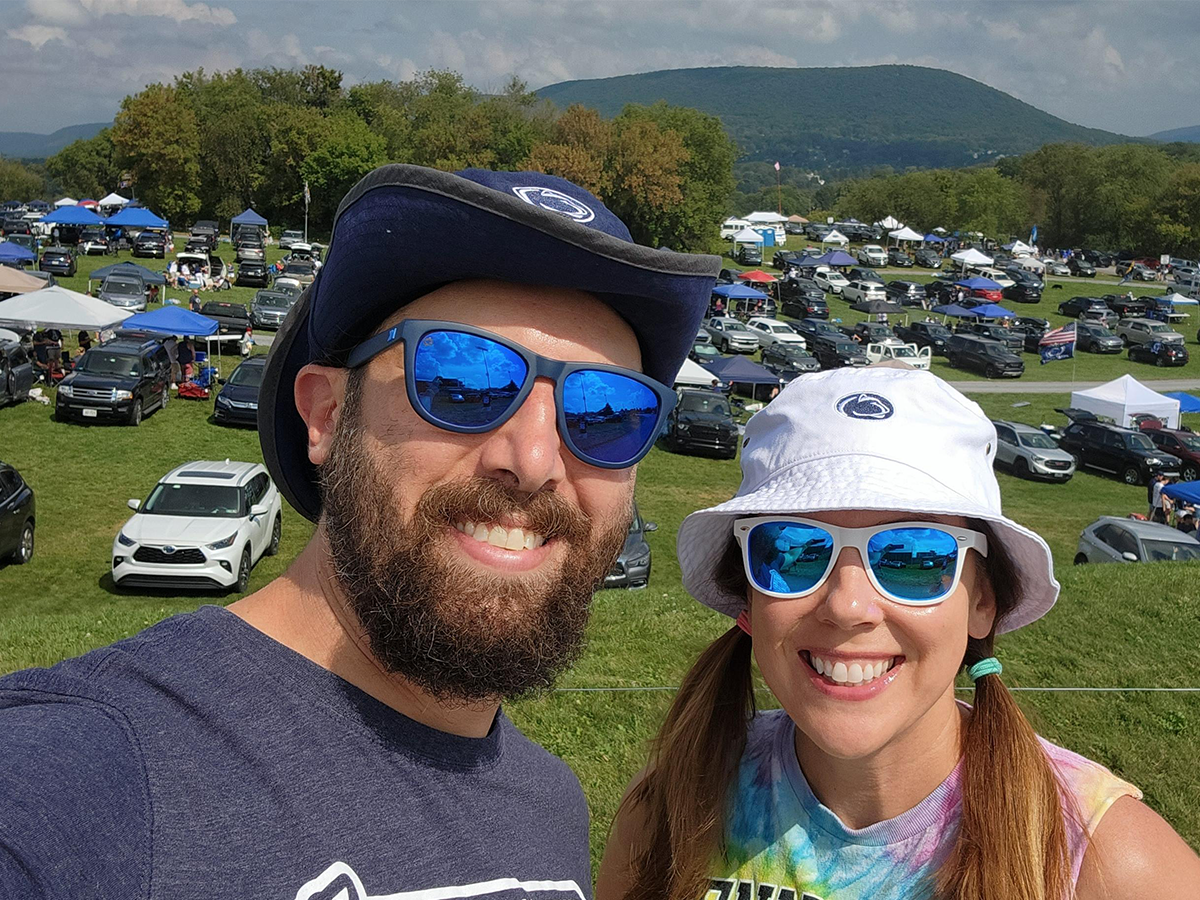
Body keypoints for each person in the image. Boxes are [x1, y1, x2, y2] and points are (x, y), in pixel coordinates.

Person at [0, 164, 719, 898]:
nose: (533, 462)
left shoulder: (552, 808)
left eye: (608, 411)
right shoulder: (91, 776)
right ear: (327, 415)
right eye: (461, 381)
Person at [598, 366, 1200, 900]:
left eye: (914, 557)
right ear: (749, 601)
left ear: (982, 602)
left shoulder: (1108, 863)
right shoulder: (670, 807)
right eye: (793, 551)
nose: (849, 605)